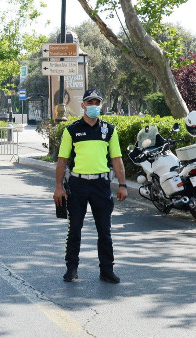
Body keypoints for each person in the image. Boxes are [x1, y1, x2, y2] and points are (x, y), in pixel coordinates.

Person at [53, 88, 127, 284]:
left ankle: (106, 269)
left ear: (101, 105)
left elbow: (117, 159)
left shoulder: (109, 131)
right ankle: (71, 268)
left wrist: (122, 184)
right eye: (90, 102)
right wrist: (58, 187)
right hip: (77, 184)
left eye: (97, 103)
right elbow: (62, 161)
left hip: (101, 185)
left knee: (104, 230)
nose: (94, 106)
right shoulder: (71, 130)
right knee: (75, 228)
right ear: (83, 105)